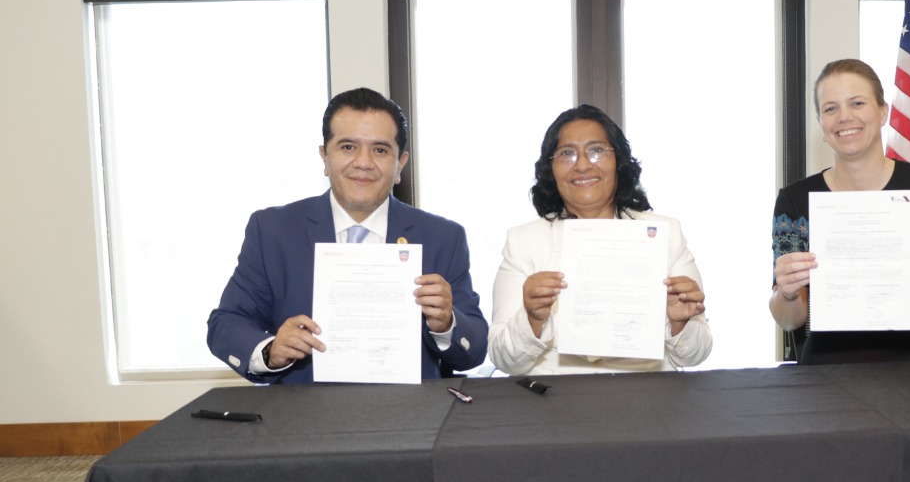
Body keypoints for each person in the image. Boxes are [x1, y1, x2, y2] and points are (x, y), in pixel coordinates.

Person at [207, 87, 487, 382]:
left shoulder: (443, 237)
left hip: (410, 419)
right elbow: (226, 324)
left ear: (399, 164)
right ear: (324, 156)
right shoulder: (273, 230)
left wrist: (446, 324)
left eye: (380, 150)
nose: (363, 162)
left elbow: (475, 348)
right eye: (348, 147)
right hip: (301, 418)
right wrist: (270, 351)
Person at [771, 59, 910, 363]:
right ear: (821, 122)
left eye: (857, 103)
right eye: (830, 109)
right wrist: (787, 293)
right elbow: (790, 320)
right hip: (825, 376)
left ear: (883, 112)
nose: (844, 117)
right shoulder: (795, 201)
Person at [488, 104, 711, 375]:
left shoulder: (665, 234)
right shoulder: (523, 241)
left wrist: (680, 325)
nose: (582, 165)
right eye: (567, 153)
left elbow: (696, 355)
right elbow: (502, 359)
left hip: (647, 397)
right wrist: (532, 318)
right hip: (553, 400)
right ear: (551, 168)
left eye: (596, 150)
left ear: (619, 161)